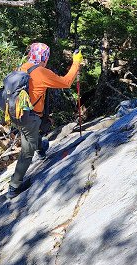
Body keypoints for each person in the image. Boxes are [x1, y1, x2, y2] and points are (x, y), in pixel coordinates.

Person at [8, 42, 84, 199]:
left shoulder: (23, 67)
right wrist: (76, 62)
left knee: (32, 135)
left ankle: (41, 146)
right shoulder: (41, 72)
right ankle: (14, 187)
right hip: (30, 117)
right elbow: (66, 82)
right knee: (26, 152)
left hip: (16, 113)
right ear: (45, 57)